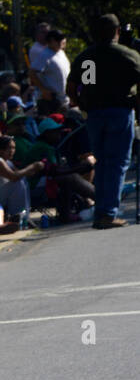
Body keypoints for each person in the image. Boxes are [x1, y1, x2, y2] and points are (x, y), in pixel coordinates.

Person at [68, 13, 140, 229]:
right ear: (117, 31)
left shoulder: (87, 58)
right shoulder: (127, 55)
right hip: (119, 112)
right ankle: (108, 213)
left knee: (102, 162)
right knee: (117, 163)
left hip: (95, 115)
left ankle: (102, 210)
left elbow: (73, 86)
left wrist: (79, 102)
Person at [0, 137, 42, 228]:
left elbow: (22, 174)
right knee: (17, 182)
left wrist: (38, 168)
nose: (12, 151)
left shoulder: (7, 162)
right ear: (0, 149)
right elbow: (14, 176)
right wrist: (32, 166)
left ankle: (24, 217)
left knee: (23, 181)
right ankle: (18, 216)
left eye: (13, 148)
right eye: (9, 148)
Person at [33, 30, 71, 110]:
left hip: (64, 99)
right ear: (52, 41)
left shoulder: (61, 53)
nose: (63, 41)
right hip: (52, 101)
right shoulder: (45, 55)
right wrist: (43, 90)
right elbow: (32, 72)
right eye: (59, 39)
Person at [27, 22, 53, 102]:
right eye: (43, 32)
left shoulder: (48, 48)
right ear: (37, 34)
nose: (46, 35)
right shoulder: (36, 50)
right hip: (43, 88)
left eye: (48, 32)